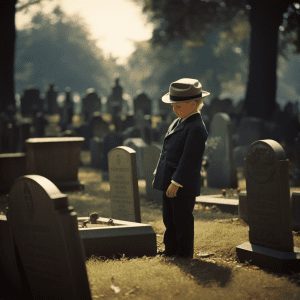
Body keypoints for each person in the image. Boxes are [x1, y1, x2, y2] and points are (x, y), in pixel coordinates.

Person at [153, 78, 210, 258]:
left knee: (182, 218)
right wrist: (159, 170)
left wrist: (176, 182)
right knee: (169, 217)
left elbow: (189, 160)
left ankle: (184, 253)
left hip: (181, 183)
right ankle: (171, 249)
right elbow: (167, 150)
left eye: (178, 106)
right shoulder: (179, 121)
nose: (174, 109)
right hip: (168, 178)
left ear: (193, 103)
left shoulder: (196, 128)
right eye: (173, 105)